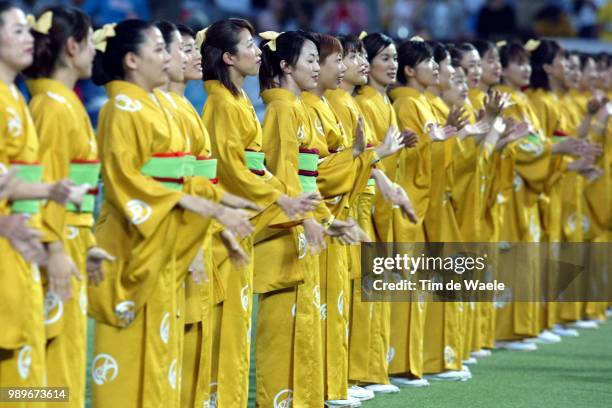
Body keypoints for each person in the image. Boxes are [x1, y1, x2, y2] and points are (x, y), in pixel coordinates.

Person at [87, 19, 253, 407]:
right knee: (127, 357)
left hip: (164, 237)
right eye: (160, 49)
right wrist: (198, 205)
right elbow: (126, 179)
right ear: (131, 60)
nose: (172, 57)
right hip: (133, 242)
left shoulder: (163, 106)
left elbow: (186, 177)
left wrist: (215, 210)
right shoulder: (121, 107)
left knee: (161, 352)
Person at [200, 19, 320, 407]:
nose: (256, 52)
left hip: (248, 215)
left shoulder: (239, 100)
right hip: (231, 220)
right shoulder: (221, 101)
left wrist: (281, 196)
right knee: (224, 323)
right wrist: (281, 198)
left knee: (237, 323)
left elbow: (257, 166)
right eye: (248, 46)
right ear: (229, 57)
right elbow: (233, 169)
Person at [23, 7, 115, 407]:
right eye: (89, 40)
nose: (95, 50)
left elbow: (73, 191)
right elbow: (40, 191)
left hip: (71, 241)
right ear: (72, 45)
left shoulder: (66, 104)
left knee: (67, 352)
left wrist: (85, 240)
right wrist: (56, 249)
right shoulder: (53, 108)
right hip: (54, 249)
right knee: (53, 358)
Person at [0, 2, 81, 397]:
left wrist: (47, 192)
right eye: (16, 30)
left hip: (24, 242)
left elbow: (21, 178)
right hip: (24, 240)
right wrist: (54, 242)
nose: (28, 38)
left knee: (30, 364)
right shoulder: (44, 104)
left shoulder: (15, 98)